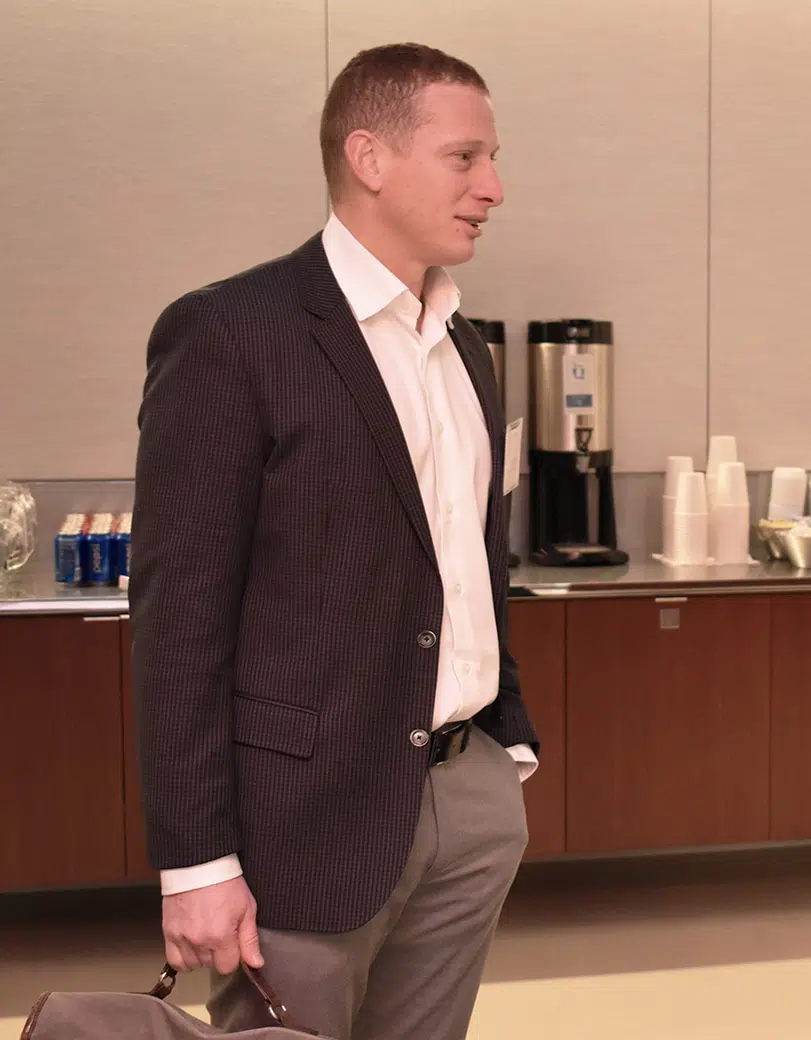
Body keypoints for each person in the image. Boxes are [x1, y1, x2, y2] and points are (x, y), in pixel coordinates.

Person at [130, 42, 533, 1040]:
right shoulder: (230, 333)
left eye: (492, 160)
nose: (493, 187)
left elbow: (469, 561)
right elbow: (179, 619)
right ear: (370, 157)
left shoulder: (465, 344)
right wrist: (195, 860)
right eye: (466, 157)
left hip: (468, 798)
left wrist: (508, 739)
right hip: (303, 824)